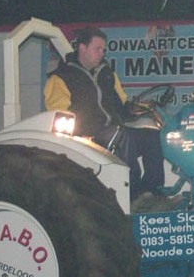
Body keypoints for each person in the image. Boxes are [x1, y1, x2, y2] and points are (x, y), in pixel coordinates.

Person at [44, 26, 165, 199]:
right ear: (82, 48)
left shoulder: (107, 74)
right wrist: (80, 134)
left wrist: (144, 109)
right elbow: (58, 116)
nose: (101, 53)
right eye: (97, 49)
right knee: (122, 135)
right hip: (85, 136)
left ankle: (153, 191)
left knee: (151, 136)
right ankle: (134, 194)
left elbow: (123, 105)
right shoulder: (61, 78)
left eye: (103, 50)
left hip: (115, 131)